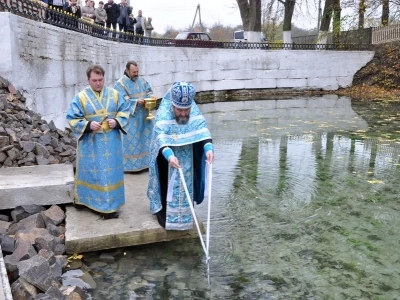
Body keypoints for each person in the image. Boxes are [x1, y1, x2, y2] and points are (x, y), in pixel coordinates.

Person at [147, 81, 214, 230]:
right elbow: (161, 138)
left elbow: (202, 130)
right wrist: (169, 156)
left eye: (186, 110)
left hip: (187, 156)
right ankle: (166, 217)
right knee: (167, 184)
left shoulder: (192, 111)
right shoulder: (164, 112)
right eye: (179, 111)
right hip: (166, 159)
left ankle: (185, 217)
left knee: (187, 187)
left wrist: (209, 149)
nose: (183, 114)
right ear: (172, 105)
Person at [66, 65, 130, 219]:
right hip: (91, 142)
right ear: (88, 80)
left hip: (112, 142)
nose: (98, 83)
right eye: (94, 80)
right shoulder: (80, 97)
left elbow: (125, 111)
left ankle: (110, 205)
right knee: (93, 173)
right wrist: (88, 125)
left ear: (104, 78)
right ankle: (87, 201)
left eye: (100, 80)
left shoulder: (115, 95)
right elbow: (72, 118)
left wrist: (117, 121)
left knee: (111, 175)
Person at [114, 61, 155, 172]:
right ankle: (132, 167)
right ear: (127, 70)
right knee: (134, 142)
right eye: (134, 72)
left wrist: (150, 97)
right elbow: (120, 100)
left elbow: (148, 90)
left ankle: (147, 163)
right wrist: (136, 102)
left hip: (144, 116)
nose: (136, 74)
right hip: (131, 118)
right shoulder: (120, 84)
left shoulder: (141, 80)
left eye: (137, 71)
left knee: (146, 140)